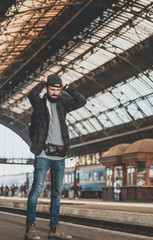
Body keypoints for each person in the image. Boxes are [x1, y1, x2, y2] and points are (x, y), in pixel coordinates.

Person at [24, 74, 86, 240]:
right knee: (37, 189)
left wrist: (67, 87)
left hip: (60, 156)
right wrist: (42, 81)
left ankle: (54, 229)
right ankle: (30, 228)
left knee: (57, 193)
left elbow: (82, 101)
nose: (55, 93)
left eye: (58, 90)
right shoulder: (39, 104)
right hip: (43, 155)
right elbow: (31, 95)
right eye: (52, 89)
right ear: (47, 88)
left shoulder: (63, 105)